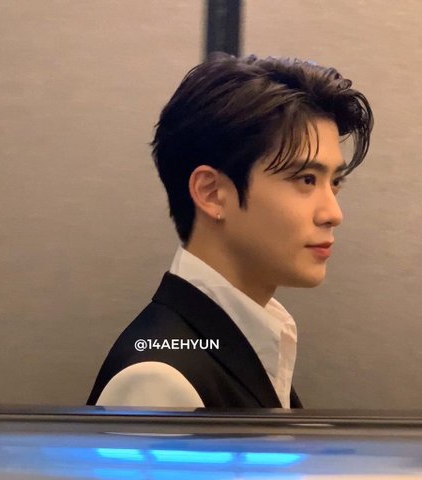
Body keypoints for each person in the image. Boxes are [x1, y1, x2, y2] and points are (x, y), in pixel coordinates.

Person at [87, 53, 373, 409]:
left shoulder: (243, 338)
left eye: (335, 182)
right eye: (306, 179)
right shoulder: (157, 381)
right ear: (211, 193)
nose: (333, 214)